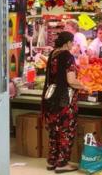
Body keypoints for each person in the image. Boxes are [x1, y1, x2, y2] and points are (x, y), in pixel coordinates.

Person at [41, 31, 85, 173]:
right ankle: (62, 163)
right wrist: (84, 86)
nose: (73, 44)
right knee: (66, 132)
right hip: (64, 100)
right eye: (72, 42)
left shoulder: (53, 54)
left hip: (51, 99)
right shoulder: (68, 57)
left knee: (54, 132)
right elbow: (71, 80)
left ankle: (52, 161)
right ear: (67, 42)